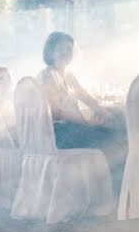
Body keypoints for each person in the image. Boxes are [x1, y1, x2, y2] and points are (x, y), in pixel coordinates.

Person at [37, 32, 126, 191]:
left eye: (69, 48)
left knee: (118, 127)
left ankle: (117, 188)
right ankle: (113, 190)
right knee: (112, 139)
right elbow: (56, 112)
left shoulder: (68, 75)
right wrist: (87, 123)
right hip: (58, 133)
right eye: (61, 49)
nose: (66, 52)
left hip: (71, 127)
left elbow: (85, 96)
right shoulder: (47, 76)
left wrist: (104, 111)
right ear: (50, 51)